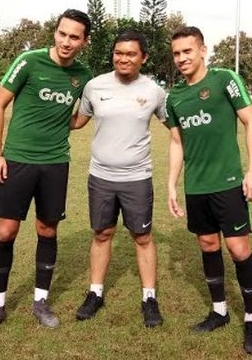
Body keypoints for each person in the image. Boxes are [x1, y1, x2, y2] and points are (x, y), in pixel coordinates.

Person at [0, 9, 93, 338]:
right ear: (55, 33)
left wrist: (76, 120)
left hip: (55, 163)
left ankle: (41, 302)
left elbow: (79, 117)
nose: (67, 42)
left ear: (84, 41)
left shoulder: (83, 75)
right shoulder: (29, 61)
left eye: (75, 37)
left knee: (47, 230)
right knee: (6, 232)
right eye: (62, 34)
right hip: (18, 160)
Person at [165, 26, 252, 354]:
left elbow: (251, 121)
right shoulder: (175, 97)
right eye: (177, 53)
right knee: (208, 245)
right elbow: (177, 140)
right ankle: (219, 311)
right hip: (197, 187)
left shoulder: (224, 80)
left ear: (203, 50)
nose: (182, 58)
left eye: (187, 51)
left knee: (238, 249)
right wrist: (172, 183)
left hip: (228, 184)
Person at [70, 30, 166, 327]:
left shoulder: (154, 91)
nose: (123, 58)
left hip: (137, 178)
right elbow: (77, 121)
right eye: (119, 53)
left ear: (143, 58)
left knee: (143, 237)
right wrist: (41, 109)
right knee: (101, 234)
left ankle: (149, 298)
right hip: (100, 177)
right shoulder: (94, 86)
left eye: (131, 54)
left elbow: (176, 126)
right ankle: (95, 293)